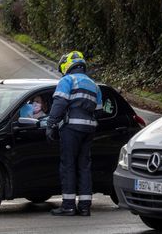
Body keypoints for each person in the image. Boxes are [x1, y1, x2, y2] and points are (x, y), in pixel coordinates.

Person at [47, 51, 102, 216]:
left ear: (67, 65)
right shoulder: (94, 85)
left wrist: (51, 124)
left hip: (71, 129)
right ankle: (85, 207)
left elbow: (60, 103)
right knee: (84, 166)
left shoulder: (67, 80)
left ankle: (68, 206)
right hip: (89, 130)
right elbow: (98, 111)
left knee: (68, 165)